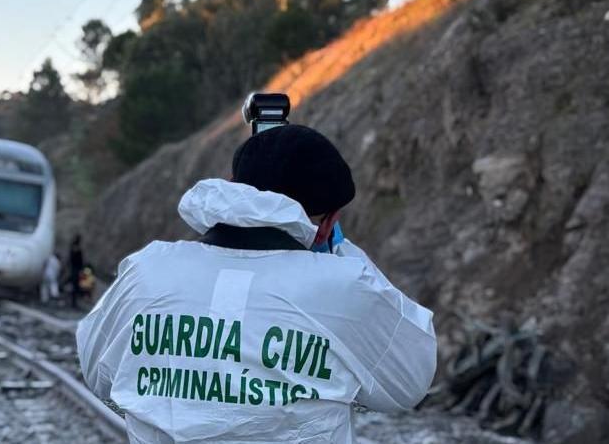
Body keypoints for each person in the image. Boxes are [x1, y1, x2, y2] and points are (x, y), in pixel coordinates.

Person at [76, 125, 437, 443]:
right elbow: (409, 382)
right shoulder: (344, 286)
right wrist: (341, 251)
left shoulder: (146, 270)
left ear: (232, 188)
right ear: (328, 224)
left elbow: (98, 373)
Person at [69, 235, 85, 309]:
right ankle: (73, 303)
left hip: (73, 269)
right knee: (75, 287)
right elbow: (80, 261)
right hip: (76, 270)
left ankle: (73, 302)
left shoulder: (72, 248)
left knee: (74, 287)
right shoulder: (77, 250)